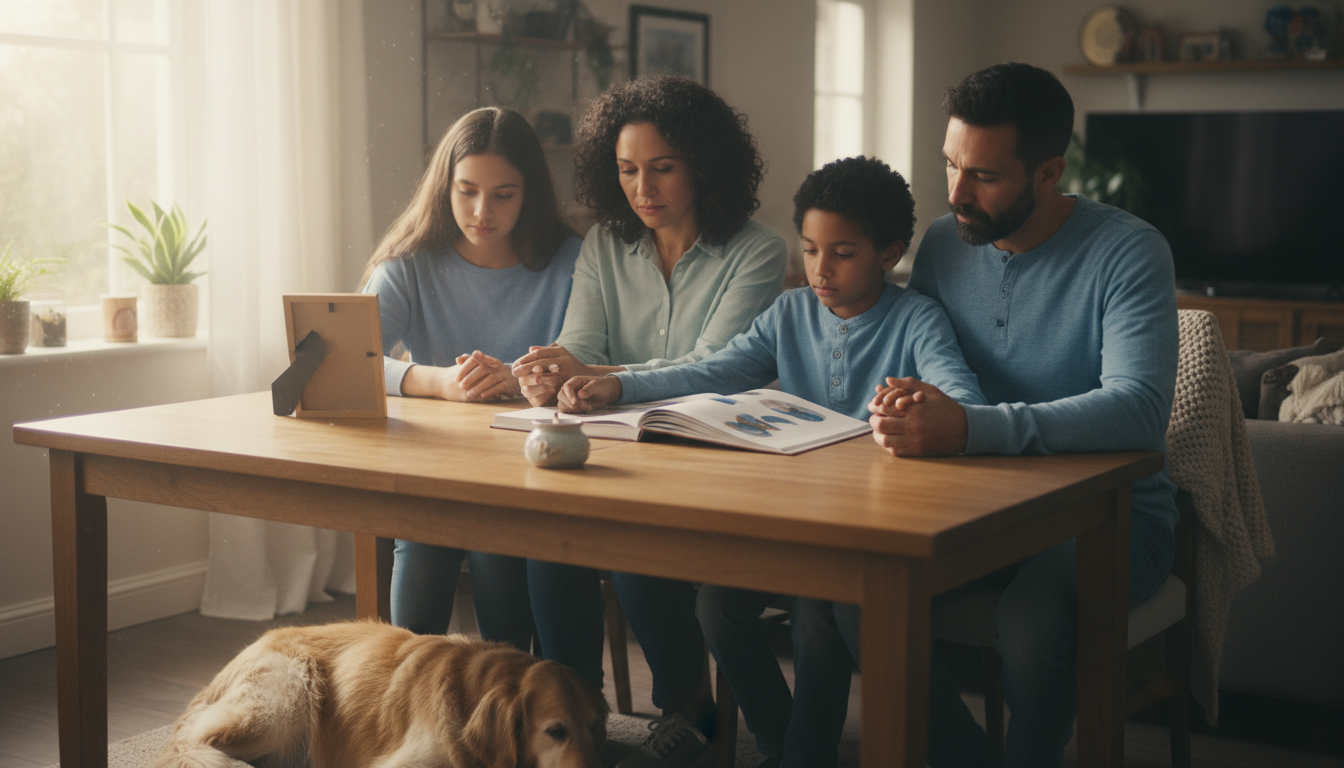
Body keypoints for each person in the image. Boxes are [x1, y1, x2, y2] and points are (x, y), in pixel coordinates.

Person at [786, 63, 1179, 768]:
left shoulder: (1128, 251)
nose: (956, 193)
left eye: (985, 176)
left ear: (1049, 171)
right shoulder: (946, 243)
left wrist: (972, 428)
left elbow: (1139, 410)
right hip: (972, 506)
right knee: (845, 593)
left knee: (1030, 618)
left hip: (1108, 519)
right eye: (950, 164)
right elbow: (922, 361)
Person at [558, 156, 985, 768]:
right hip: (794, 524)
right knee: (716, 607)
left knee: (815, 617)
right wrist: (618, 384)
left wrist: (927, 401)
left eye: (842, 253)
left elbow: (963, 400)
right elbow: (714, 370)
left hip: (868, 530)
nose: (820, 269)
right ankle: (777, 738)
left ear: (889, 254)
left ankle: (805, 754)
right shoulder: (790, 313)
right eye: (809, 250)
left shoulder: (918, 319)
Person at [511, 75, 789, 768]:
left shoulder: (757, 250)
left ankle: (689, 709)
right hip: (618, 450)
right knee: (548, 536)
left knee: (631, 539)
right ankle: (573, 711)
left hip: (711, 456)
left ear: (705, 165)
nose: (643, 188)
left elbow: (717, 366)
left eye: (662, 167)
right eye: (627, 170)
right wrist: (552, 371)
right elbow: (581, 346)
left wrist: (603, 378)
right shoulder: (604, 244)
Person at [359, 106, 583, 653]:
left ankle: (505, 687)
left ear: (529, 194)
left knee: (496, 549)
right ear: (445, 188)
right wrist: (441, 382)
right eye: (467, 192)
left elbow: (589, 358)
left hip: (532, 465)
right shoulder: (409, 265)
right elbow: (351, 359)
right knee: (422, 541)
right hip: (438, 463)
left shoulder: (570, 261)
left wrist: (521, 380)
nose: (483, 212)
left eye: (503, 195)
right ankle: (413, 687)